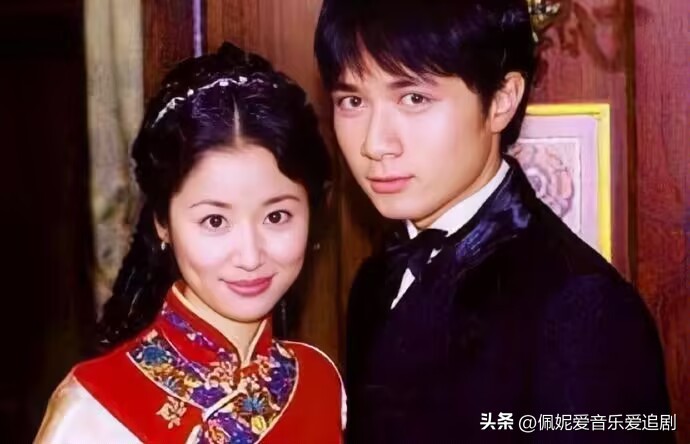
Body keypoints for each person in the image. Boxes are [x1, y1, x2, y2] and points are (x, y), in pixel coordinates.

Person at [314, 0, 673, 442]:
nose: (374, 144)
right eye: (352, 101)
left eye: (414, 98)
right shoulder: (377, 278)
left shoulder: (581, 309)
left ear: (502, 99)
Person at [35, 42, 344, 443]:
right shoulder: (96, 408)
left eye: (276, 216)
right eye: (215, 221)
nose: (250, 256)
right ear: (163, 223)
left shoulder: (319, 384)